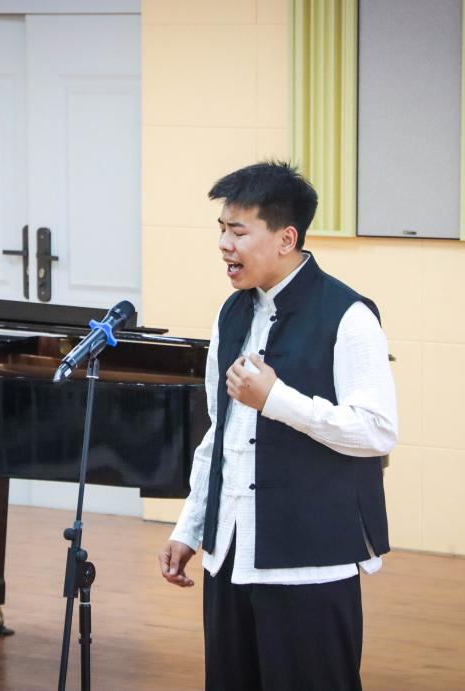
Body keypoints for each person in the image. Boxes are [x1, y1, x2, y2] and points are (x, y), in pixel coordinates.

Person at [157, 161, 398, 690]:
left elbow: (378, 430)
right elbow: (219, 434)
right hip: (230, 556)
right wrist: (189, 528)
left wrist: (278, 400)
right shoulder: (230, 313)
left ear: (286, 238)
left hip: (309, 564)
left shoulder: (350, 316)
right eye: (221, 229)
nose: (224, 244)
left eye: (238, 231)